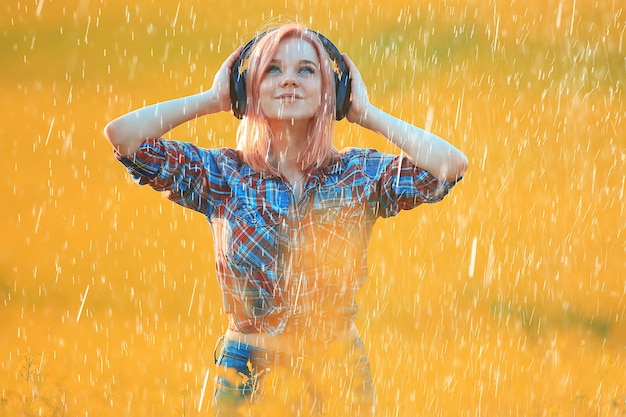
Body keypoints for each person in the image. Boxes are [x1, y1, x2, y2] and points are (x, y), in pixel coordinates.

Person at [103, 23, 467, 416]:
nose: (289, 80)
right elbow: (124, 138)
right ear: (249, 90)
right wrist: (212, 100)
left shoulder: (358, 175)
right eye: (272, 70)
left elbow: (449, 166)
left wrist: (364, 113)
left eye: (306, 70)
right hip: (245, 375)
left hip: (337, 373)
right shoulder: (224, 175)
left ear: (332, 91)